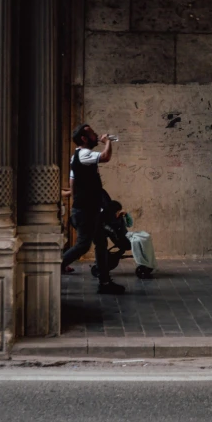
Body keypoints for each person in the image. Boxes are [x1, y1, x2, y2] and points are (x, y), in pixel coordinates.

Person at [61, 123, 125, 295]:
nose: (96, 135)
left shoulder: (76, 157)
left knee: (101, 243)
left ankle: (105, 283)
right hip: (86, 212)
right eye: (92, 134)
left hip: (90, 210)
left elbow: (73, 180)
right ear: (83, 138)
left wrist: (74, 196)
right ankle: (55, 266)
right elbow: (105, 157)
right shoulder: (84, 154)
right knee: (83, 245)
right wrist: (107, 142)